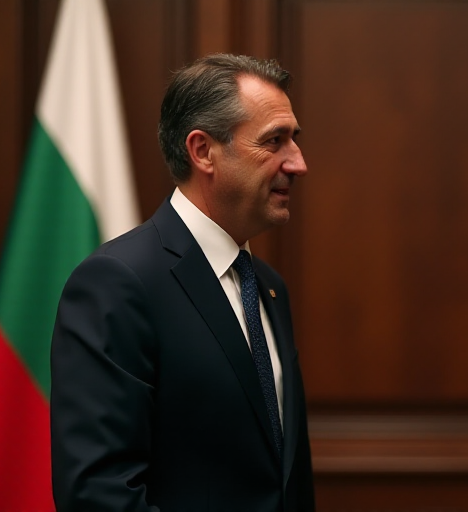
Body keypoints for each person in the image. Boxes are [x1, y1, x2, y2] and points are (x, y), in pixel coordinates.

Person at [50, 54, 314, 511]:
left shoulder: (269, 288)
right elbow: (99, 493)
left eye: (295, 140)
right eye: (275, 142)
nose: (298, 163)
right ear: (203, 151)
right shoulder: (119, 282)